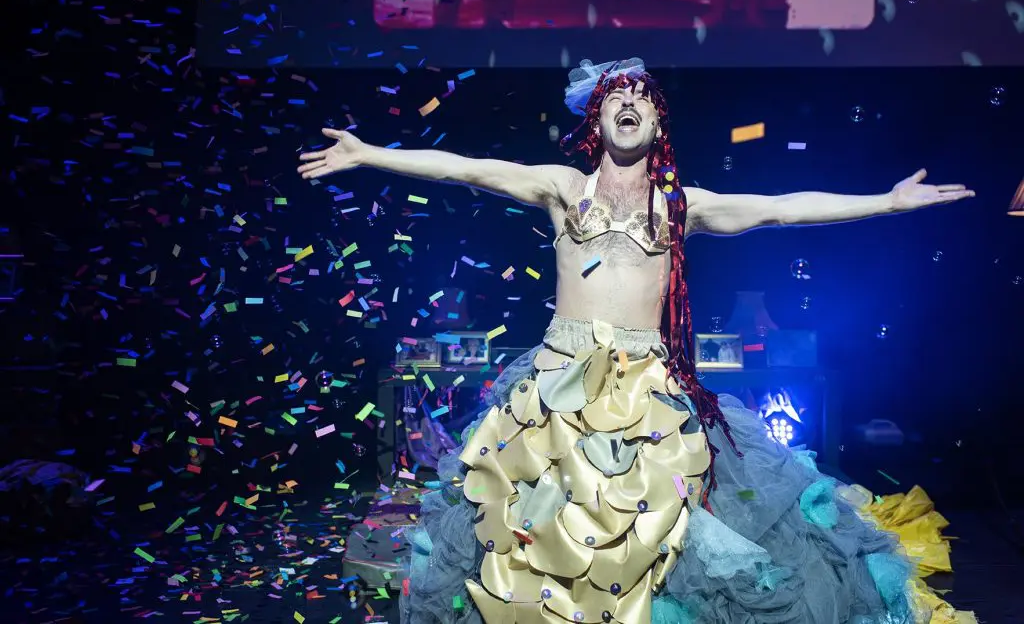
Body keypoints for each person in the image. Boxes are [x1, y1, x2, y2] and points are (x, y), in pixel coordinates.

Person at [298, 59, 975, 623]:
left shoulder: (682, 204)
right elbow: (462, 168)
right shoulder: (565, 189)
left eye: (641, 97)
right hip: (558, 389)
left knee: (653, 536)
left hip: (648, 393)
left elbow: (783, 205)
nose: (628, 102)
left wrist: (885, 202)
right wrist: (368, 155)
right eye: (615, 96)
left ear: (658, 123)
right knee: (536, 533)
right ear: (596, 122)